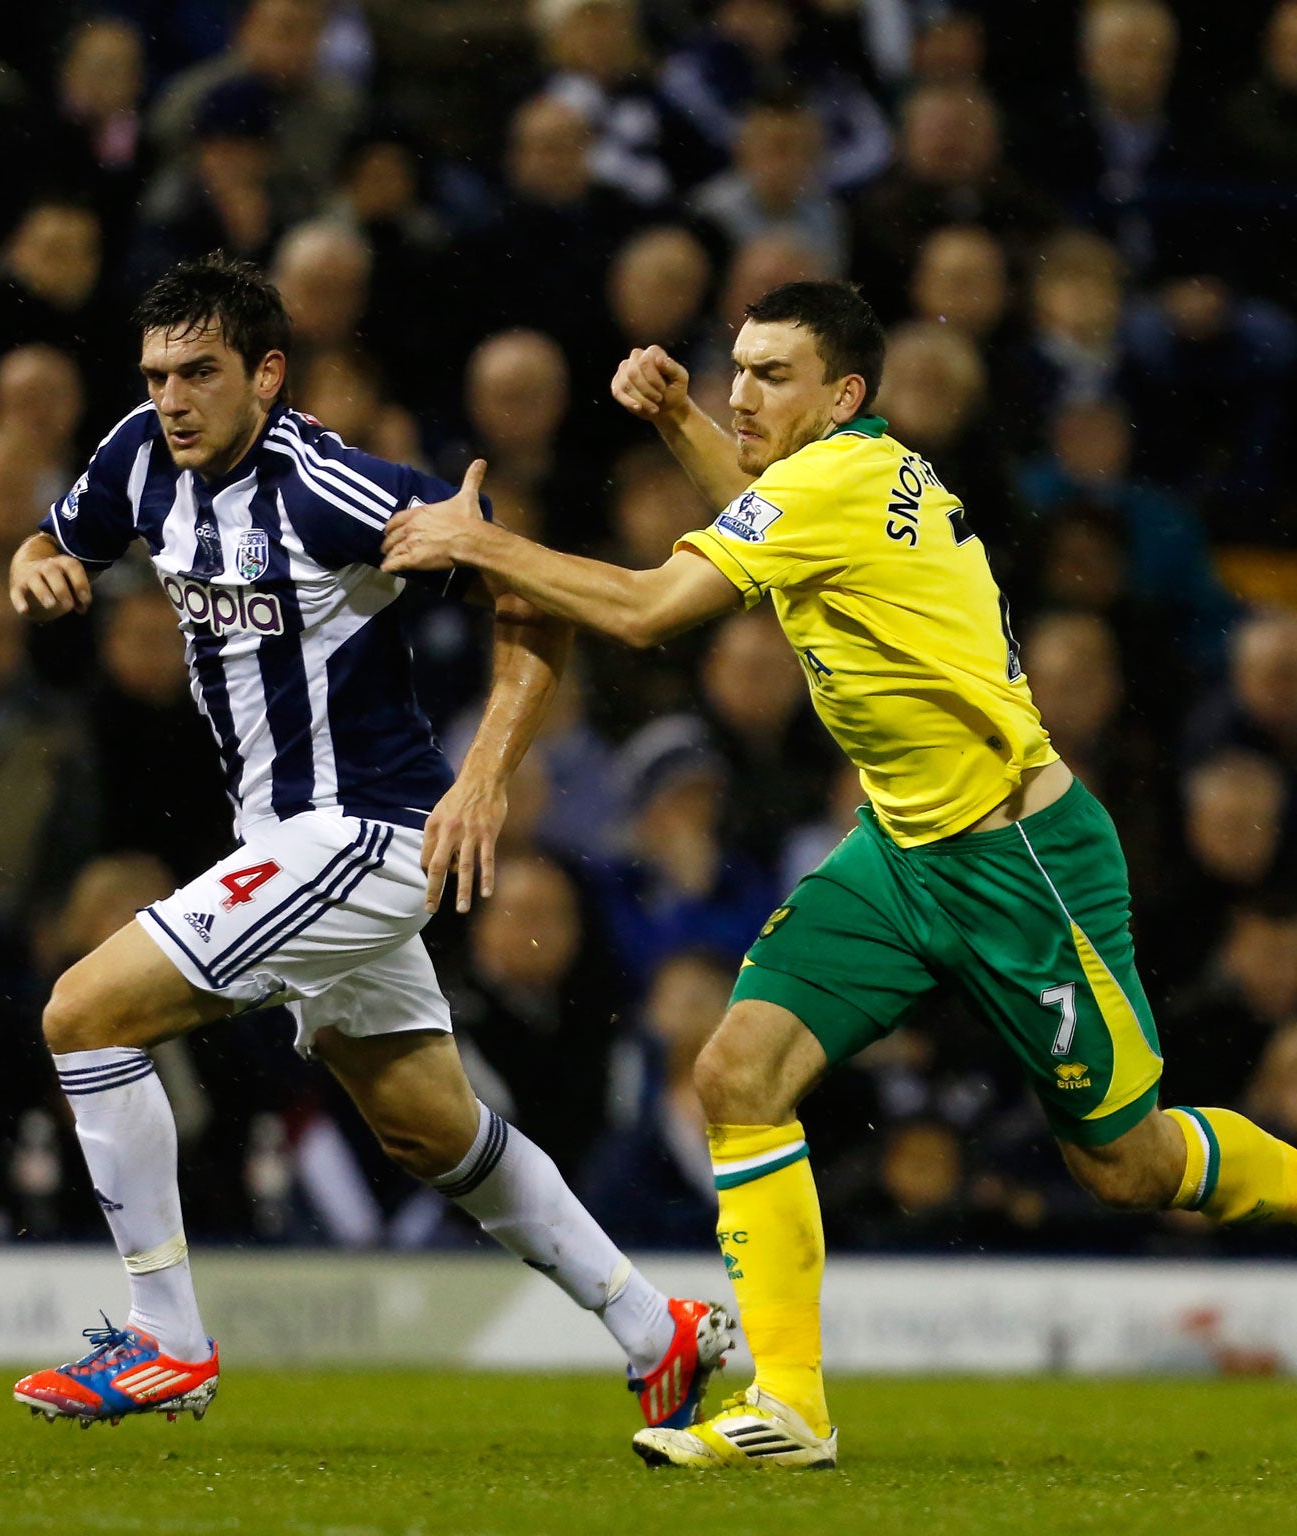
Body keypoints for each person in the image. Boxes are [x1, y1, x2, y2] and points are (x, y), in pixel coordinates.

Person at [382, 278, 1297, 1470]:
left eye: (771, 375)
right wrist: (677, 423)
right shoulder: (850, 475)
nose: (741, 391)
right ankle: (791, 1409)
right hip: (898, 853)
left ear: (842, 393)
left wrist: (477, 539)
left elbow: (653, 609)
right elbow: (765, 518)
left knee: (1122, 1163)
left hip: (1021, 865)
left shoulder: (836, 483)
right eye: (736, 366)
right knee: (733, 1069)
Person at [4, 255, 728, 1431]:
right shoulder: (137, 456)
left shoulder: (327, 487)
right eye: (155, 374)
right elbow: (46, 542)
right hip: (286, 839)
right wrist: (40, 570)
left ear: (266, 375)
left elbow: (530, 595)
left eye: (199, 372)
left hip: (365, 833)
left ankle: (164, 1340)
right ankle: (656, 1329)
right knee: (426, 1128)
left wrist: (485, 777)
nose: (171, 397)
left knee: (81, 1015)